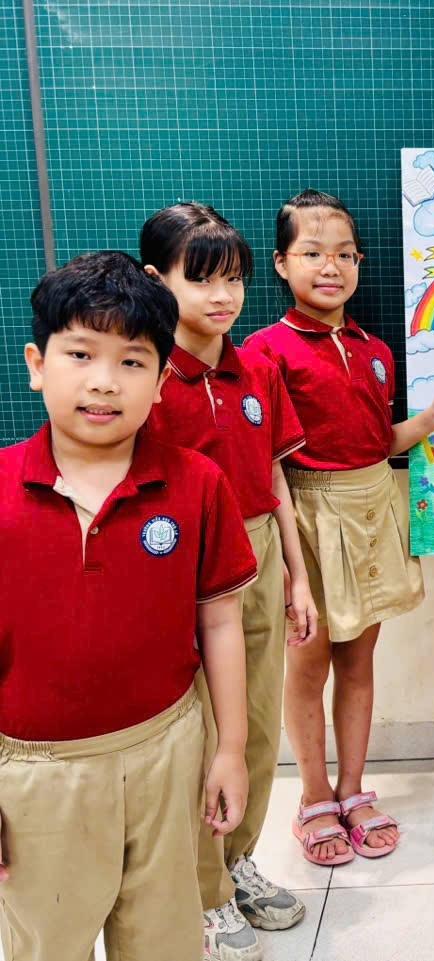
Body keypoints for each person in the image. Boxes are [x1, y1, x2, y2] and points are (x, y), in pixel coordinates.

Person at [0, 251, 255, 960]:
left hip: (168, 752)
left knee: (164, 936)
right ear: (37, 363)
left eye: (133, 361)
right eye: (80, 353)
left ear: (162, 380)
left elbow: (220, 622)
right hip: (36, 773)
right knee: (48, 940)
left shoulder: (197, 484)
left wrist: (230, 750)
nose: (104, 381)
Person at [243, 189, 434, 865]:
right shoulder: (265, 353)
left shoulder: (374, 349)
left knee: (359, 661)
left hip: (372, 506)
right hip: (307, 519)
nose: (332, 267)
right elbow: (267, 464)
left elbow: (378, 442)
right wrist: (290, 565)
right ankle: (313, 795)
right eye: (313, 253)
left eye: (346, 255)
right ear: (280, 263)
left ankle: (353, 789)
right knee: (308, 663)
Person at [141, 202, 315, 960]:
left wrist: (298, 578)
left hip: (261, 551)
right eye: (202, 279)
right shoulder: (144, 377)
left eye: (235, 280)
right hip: (182, 568)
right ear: (157, 281)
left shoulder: (259, 371)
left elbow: (276, 480)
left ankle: (238, 859)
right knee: (202, 735)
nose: (223, 297)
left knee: (257, 725)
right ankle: (204, 888)